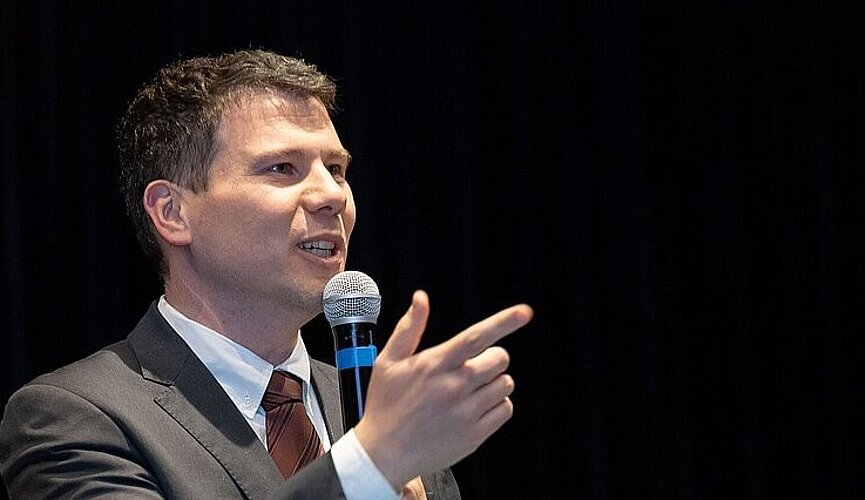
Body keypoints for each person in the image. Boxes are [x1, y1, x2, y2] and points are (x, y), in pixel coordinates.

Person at [0, 48, 533, 499]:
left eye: (337, 169)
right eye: (282, 168)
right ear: (172, 212)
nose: (331, 195)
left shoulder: (390, 412)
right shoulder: (74, 418)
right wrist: (368, 466)